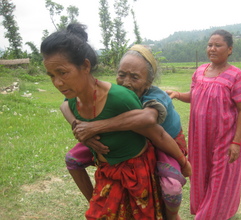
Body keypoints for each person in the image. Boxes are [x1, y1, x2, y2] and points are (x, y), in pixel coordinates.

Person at [41, 23, 190, 220]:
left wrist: (94, 127)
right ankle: (96, 200)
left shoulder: (153, 96)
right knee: (73, 159)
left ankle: (173, 217)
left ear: (148, 81)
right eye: (122, 74)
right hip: (123, 144)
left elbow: (148, 120)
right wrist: (80, 130)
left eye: (135, 77)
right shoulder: (85, 93)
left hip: (164, 143)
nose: (127, 81)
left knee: (171, 189)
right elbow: (66, 105)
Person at [167, 29, 241, 220]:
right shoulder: (200, 71)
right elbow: (195, 97)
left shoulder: (236, 75)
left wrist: (236, 142)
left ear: (229, 49)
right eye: (210, 45)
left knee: (220, 179)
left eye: (218, 45)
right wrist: (178, 95)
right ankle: (206, 211)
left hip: (225, 138)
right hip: (200, 138)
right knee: (201, 176)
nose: (212, 49)